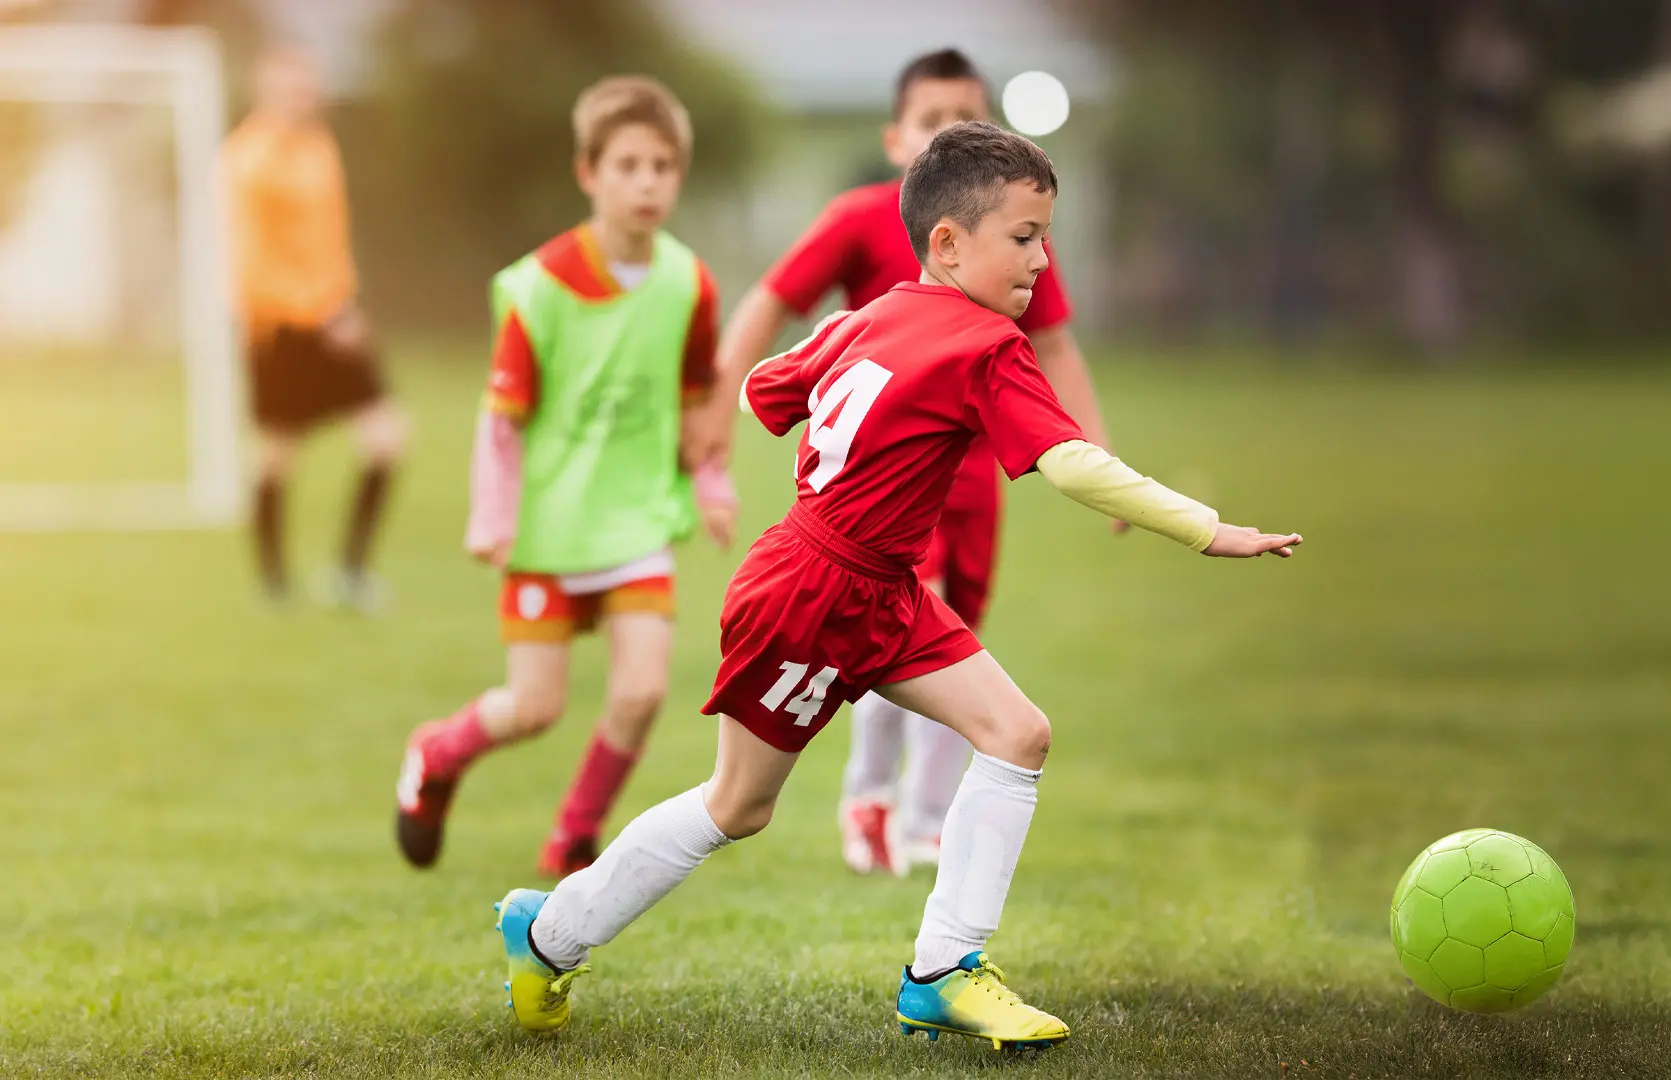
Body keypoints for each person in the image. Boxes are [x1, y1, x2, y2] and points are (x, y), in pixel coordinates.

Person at [491, 122, 1303, 1050]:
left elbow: (767, 391)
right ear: (949, 243)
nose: (1044, 259)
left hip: (881, 585)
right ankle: (548, 934)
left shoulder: (878, 312)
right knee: (738, 807)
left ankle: (942, 972)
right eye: (1025, 237)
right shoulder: (989, 345)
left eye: (1046, 235)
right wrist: (1208, 530)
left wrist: (843, 344)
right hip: (811, 593)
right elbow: (1071, 464)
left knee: (1017, 733)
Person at [692, 48, 1118, 877]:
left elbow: (1057, 344)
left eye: (967, 117)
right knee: (885, 629)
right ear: (897, 140)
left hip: (971, 480)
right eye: (932, 121)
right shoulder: (861, 219)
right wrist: (717, 400)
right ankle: (870, 799)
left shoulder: (1016, 239)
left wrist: (1093, 453)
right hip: (875, 486)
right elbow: (773, 302)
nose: (948, 134)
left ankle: (927, 819)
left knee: (954, 646)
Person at [392, 76, 736, 878]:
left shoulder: (691, 283)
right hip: (550, 531)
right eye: (628, 165)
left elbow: (698, 404)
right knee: (535, 708)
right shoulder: (538, 286)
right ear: (588, 173)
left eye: (662, 166)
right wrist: (494, 517)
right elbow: (501, 418)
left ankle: (574, 836)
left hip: (638, 523)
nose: (648, 182)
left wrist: (712, 487)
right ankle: (437, 752)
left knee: (644, 690)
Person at [223, 45, 407, 612]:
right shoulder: (247, 160)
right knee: (276, 455)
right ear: (264, 90)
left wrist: (343, 302)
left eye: (308, 87)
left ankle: (350, 572)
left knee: (388, 438)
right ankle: (273, 582)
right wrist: (320, 311)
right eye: (289, 88)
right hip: (283, 326)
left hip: (333, 317)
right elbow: (254, 262)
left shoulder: (320, 148)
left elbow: (328, 242)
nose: (302, 98)